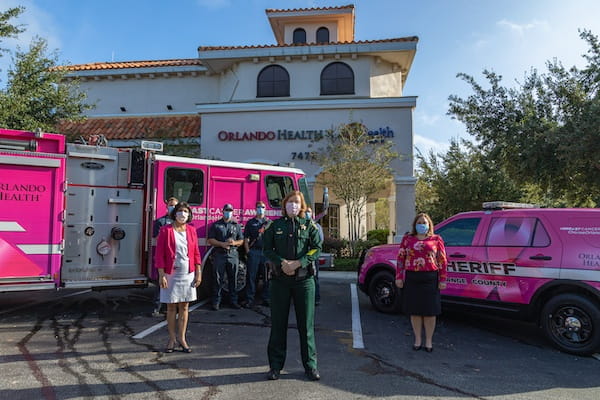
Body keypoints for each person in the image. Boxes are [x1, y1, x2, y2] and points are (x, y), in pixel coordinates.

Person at [263, 191, 322, 381]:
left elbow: (316, 247)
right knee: (278, 325)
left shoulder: (309, 226)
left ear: (302, 205)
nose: (293, 206)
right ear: (284, 204)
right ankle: (275, 366)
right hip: (280, 281)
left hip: (304, 282)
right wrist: (282, 263)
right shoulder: (275, 225)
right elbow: (267, 249)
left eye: (297, 203)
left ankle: (310, 366)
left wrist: (299, 263)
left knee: (306, 326)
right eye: (290, 202)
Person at [395, 212, 447, 353]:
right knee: (415, 311)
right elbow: (400, 258)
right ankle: (417, 339)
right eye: (419, 223)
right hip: (412, 278)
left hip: (430, 278)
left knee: (430, 312)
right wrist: (399, 277)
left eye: (424, 223)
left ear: (429, 224)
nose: (422, 225)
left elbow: (442, 261)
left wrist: (442, 279)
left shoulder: (436, 239)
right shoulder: (408, 239)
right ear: (415, 225)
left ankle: (428, 341)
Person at [155, 201, 202, 353]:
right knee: (170, 307)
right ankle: (171, 339)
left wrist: (198, 272)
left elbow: (195, 253)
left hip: (187, 274)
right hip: (170, 274)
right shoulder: (165, 230)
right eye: (180, 211)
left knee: (184, 307)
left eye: (186, 211)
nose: (183, 214)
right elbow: (159, 255)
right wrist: (161, 275)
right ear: (175, 213)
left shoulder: (192, 230)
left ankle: (182, 338)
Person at [207, 203, 244, 310]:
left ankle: (233, 301)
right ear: (222, 212)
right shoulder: (216, 225)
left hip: (232, 255)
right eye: (226, 210)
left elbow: (241, 240)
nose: (228, 212)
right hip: (219, 254)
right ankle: (216, 302)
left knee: (233, 279)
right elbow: (210, 240)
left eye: (230, 210)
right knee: (218, 279)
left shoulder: (236, 225)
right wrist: (221, 244)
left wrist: (234, 243)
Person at [151, 197, 178, 317]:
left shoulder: (179, 223)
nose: (172, 207)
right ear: (167, 206)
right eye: (170, 205)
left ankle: (171, 308)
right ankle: (156, 308)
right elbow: (157, 239)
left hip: (175, 258)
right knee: (161, 282)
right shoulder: (160, 222)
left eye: (174, 205)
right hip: (163, 258)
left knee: (173, 284)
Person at [242, 201, 272, 308]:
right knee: (251, 277)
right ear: (255, 209)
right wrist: (248, 251)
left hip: (265, 253)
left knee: (266, 277)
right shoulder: (251, 223)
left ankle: (266, 298)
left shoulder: (269, 223)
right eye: (259, 207)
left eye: (263, 207)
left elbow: (273, 239)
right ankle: (249, 299)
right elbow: (246, 238)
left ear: (265, 209)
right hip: (254, 252)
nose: (261, 209)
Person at [305, 207, 323, 306]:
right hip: (302, 256)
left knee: (314, 277)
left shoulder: (316, 226)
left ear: (312, 214)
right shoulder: (302, 225)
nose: (307, 214)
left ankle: (316, 298)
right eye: (306, 212)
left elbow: (320, 242)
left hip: (312, 256)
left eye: (309, 212)